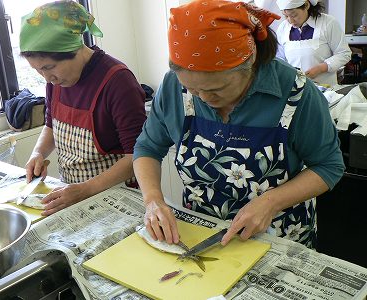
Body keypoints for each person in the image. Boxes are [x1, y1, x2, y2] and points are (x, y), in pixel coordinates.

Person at [133, 0, 344, 249]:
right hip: (200, 237)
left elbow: (329, 166)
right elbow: (147, 147)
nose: (203, 98)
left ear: (250, 64)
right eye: (191, 89)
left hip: (279, 239)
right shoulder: (172, 87)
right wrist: (153, 200)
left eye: (216, 90)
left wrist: (271, 201)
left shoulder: (296, 93)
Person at [19, 1, 146, 216]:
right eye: (38, 70)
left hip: (116, 199)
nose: (47, 78)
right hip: (71, 195)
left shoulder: (118, 82)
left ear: (73, 49)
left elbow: (137, 156)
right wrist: (38, 153)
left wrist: (84, 190)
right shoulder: (55, 81)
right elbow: (51, 124)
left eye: (49, 67)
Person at [276, 0, 351, 87]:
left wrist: (321, 68)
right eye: (286, 16)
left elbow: (344, 54)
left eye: (294, 15)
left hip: (325, 89)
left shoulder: (328, 23)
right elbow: (280, 59)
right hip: (294, 90)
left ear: (306, 5)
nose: (290, 21)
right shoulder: (283, 28)